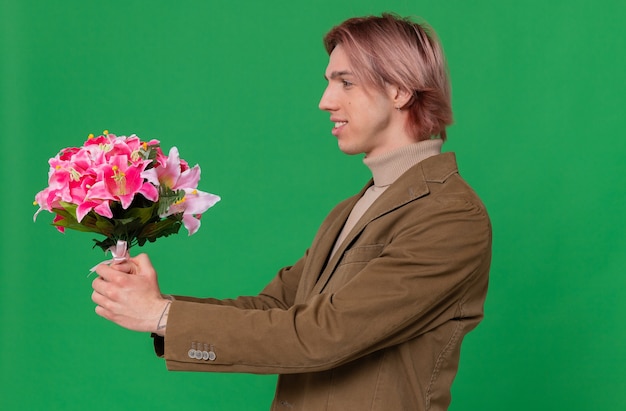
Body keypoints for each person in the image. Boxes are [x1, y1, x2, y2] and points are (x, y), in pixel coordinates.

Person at [92, 13, 492, 411]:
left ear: (401, 91)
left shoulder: (450, 216)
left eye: (346, 82)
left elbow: (324, 335)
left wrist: (162, 316)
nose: (325, 101)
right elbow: (276, 310)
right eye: (329, 82)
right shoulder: (352, 209)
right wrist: (156, 304)